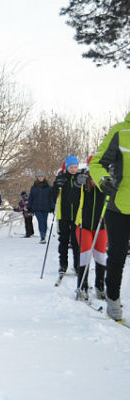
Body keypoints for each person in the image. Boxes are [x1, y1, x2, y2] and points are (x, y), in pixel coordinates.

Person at [89, 111, 130, 320]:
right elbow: (96, 163)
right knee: (117, 256)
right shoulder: (120, 131)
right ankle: (113, 300)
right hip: (119, 206)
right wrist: (103, 180)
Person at [73, 166, 107, 301]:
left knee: (100, 257)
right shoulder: (82, 185)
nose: (93, 177)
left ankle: (100, 286)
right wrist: (76, 185)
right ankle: (82, 287)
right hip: (83, 226)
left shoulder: (104, 185)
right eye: (90, 173)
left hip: (101, 226)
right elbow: (71, 199)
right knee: (85, 256)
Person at [53, 155, 82, 279]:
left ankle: (77, 265)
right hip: (63, 215)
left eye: (75, 167)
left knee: (76, 242)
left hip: (77, 216)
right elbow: (53, 195)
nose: (73, 169)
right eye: (71, 167)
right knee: (63, 241)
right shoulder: (61, 178)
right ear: (66, 167)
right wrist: (56, 186)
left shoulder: (80, 179)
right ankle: (63, 265)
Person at [28, 171, 53, 243]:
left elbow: (51, 198)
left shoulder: (48, 187)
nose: (41, 178)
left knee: (44, 222)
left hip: (46, 207)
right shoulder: (34, 187)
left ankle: (44, 236)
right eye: (39, 177)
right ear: (37, 178)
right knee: (41, 221)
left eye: (42, 176)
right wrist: (29, 207)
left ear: (44, 177)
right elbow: (31, 197)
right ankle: (42, 237)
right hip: (36, 208)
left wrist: (52, 207)